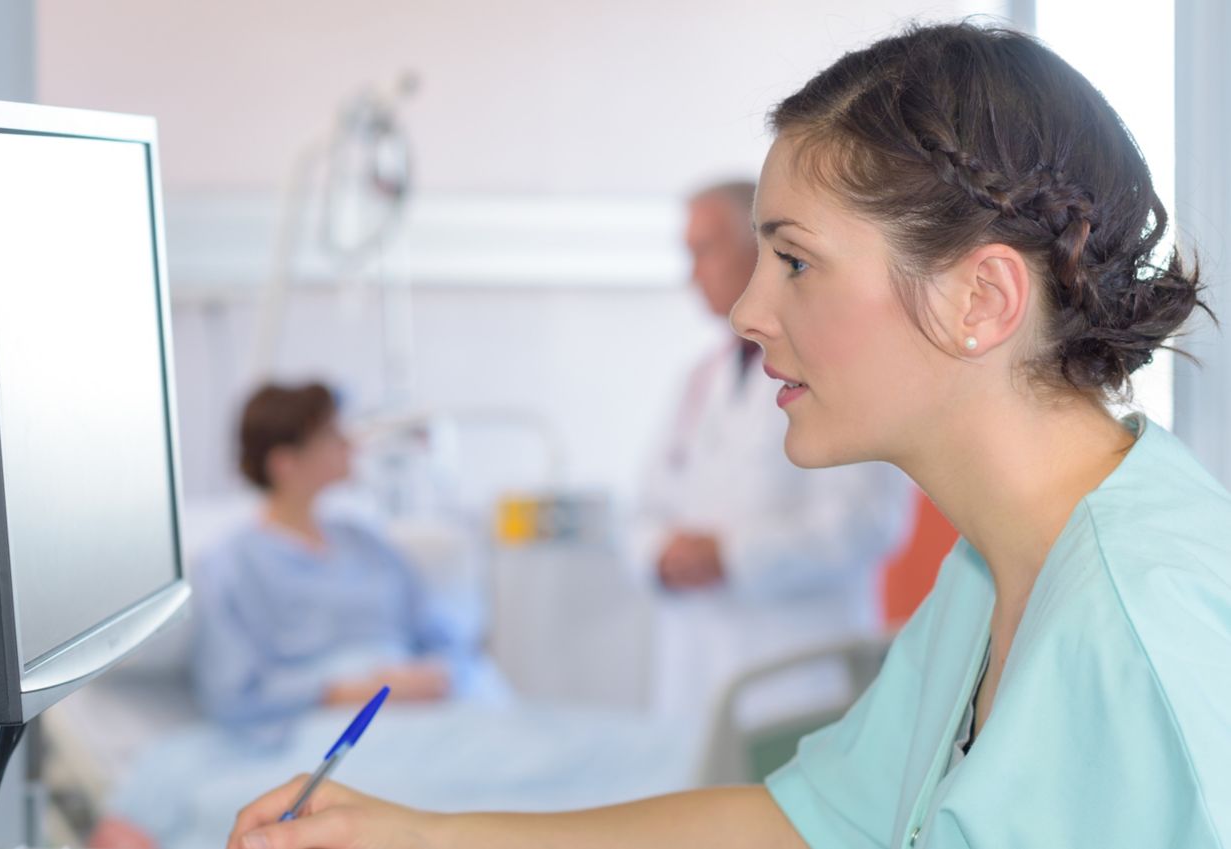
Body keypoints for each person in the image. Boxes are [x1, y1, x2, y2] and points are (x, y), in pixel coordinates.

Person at [225, 22, 1231, 849]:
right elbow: (814, 819)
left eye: (794, 262)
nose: (750, 311)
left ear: (981, 296)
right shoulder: (992, 580)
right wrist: (420, 836)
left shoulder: (1150, 632)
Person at [634, 181, 915, 715]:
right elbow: (646, 507)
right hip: (698, 674)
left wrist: (731, 556)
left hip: (799, 679)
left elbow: (868, 520)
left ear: (763, 251)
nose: (692, 273)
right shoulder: (697, 381)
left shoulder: (844, 368)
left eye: (704, 251)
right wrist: (658, 554)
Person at [190, 382, 495, 736]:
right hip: (328, 727)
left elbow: (444, 636)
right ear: (284, 462)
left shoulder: (365, 542)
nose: (350, 444)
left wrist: (437, 674)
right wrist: (354, 691)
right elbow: (232, 692)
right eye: (331, 435)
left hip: (427, 708)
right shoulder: (230, 566)